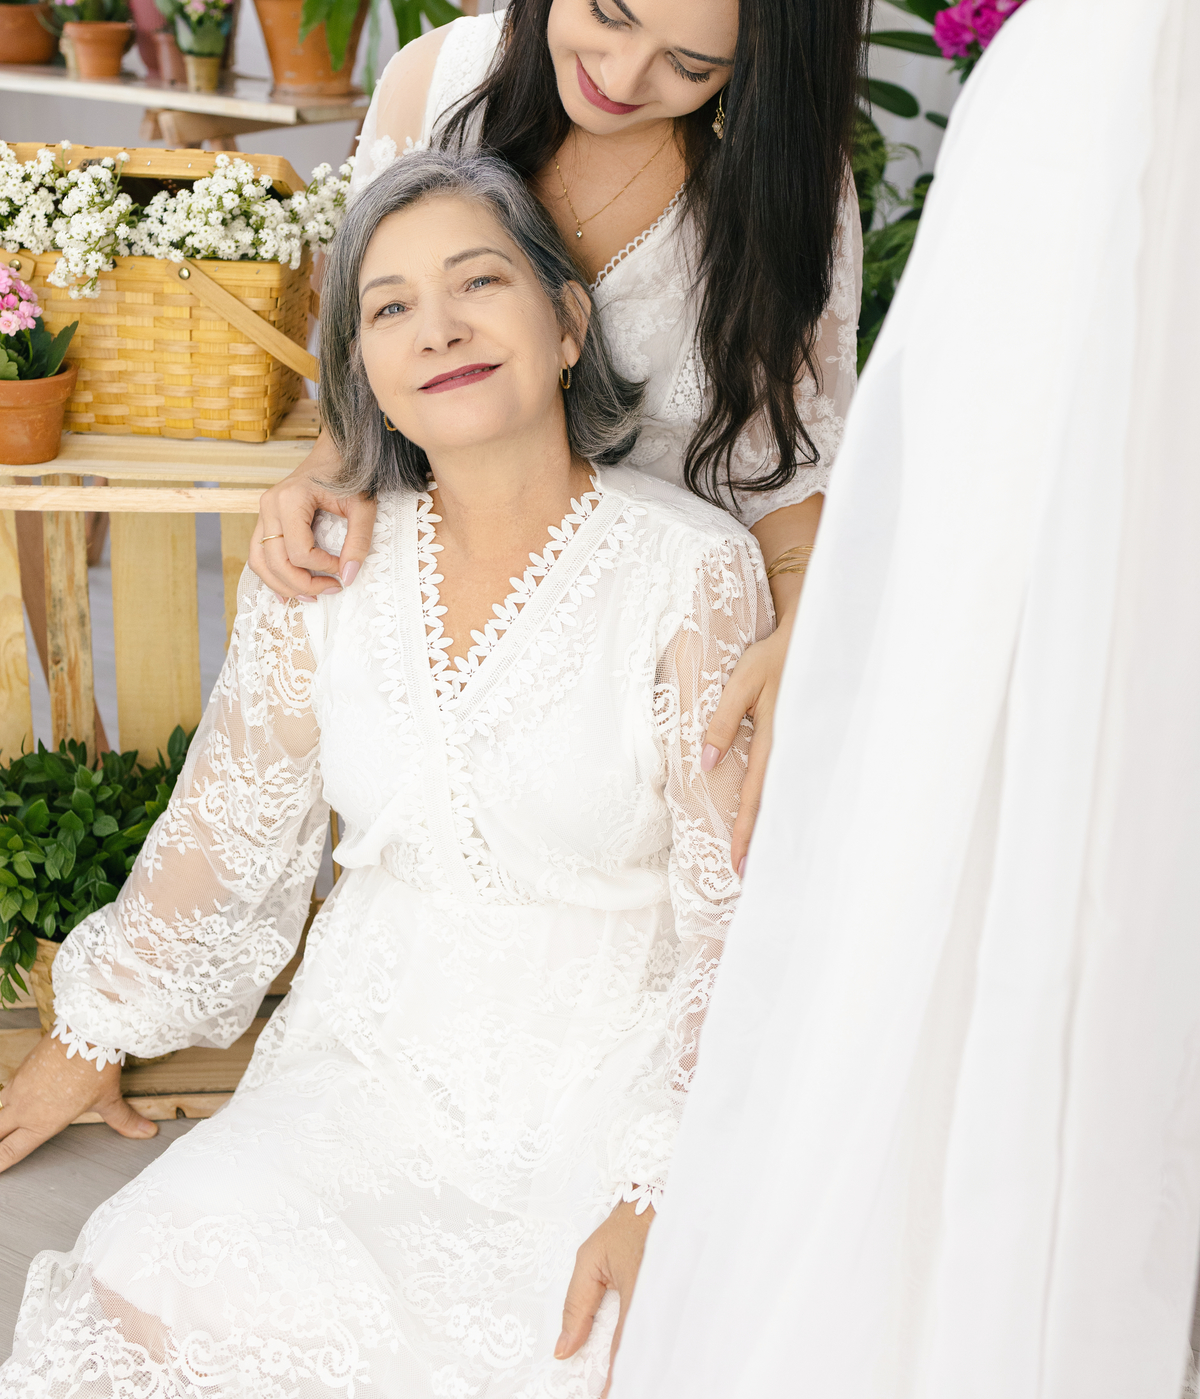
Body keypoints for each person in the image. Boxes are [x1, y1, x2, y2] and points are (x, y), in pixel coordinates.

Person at [0, 151, 771, 1398]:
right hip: (363, 1075)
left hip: (593, 1087)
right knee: (142, 1270)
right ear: (363, 373)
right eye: (392, 307)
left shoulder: (689, 572)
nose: (442, 328)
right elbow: (229, 825)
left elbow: (736, 913)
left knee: (590, 1353)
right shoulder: (329, 564)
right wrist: (94, 1032)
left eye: (481, 283)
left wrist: (653, 1178)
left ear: (567, 324)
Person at [253, 0, 871, 860]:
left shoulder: (788, 191)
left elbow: (792, 472)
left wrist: (810, 623)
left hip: (652, 649)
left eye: (692, 65)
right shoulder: (436, 84)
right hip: (441, 599)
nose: (623, 78)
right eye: (605, 13)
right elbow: (372, 353)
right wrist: (324, 468)